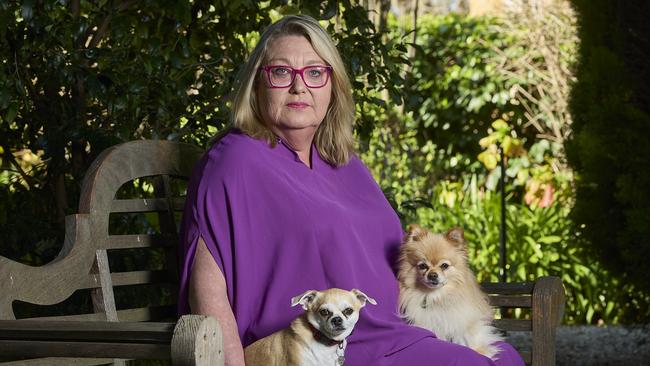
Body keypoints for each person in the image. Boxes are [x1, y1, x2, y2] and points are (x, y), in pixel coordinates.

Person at [178, 14, 525, 366]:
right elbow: (208, 290)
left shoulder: (342, 161)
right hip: (320, 347)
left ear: (333, 86)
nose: (300, 87)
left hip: (394, 333)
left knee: (503, 357)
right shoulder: (236, 160)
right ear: (258, 84)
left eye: (315, 73)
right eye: (281, 72)